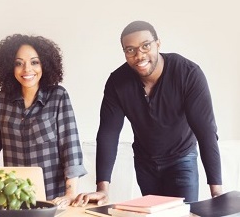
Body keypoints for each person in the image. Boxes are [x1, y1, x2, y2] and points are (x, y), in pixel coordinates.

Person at [73, 20, 222, 206]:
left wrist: (217, 193)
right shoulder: (117, 82)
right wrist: (102, 189)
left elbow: (206, 131)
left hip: (181, 159)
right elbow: (108, 134)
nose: (139, 55)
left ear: (158, 44)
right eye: (130, 50)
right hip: (145, 164)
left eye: (146, 46)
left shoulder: (188, 73)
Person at [0, 34, 87, 208]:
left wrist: (70, 194)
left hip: (52, 201)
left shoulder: (58, 97)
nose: (27, 69)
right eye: (19, 63)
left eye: (34, 62)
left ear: (45, 64)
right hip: (14, 200)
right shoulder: (2, 100)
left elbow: (70, 148)